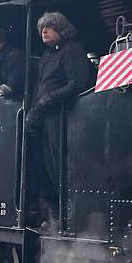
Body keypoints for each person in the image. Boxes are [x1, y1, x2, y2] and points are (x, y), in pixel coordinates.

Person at [25, 11, 96, 219]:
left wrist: (49, 99)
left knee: (58, 164)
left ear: (61, 29)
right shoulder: (47, 56)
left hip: (62, 115)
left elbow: (77, 83)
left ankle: (69, 212)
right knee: (44, 164)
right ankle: (52, 209)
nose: (44, 31)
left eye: (49, 27)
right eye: (41, 29)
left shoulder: (72, 50)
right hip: (44, 116)